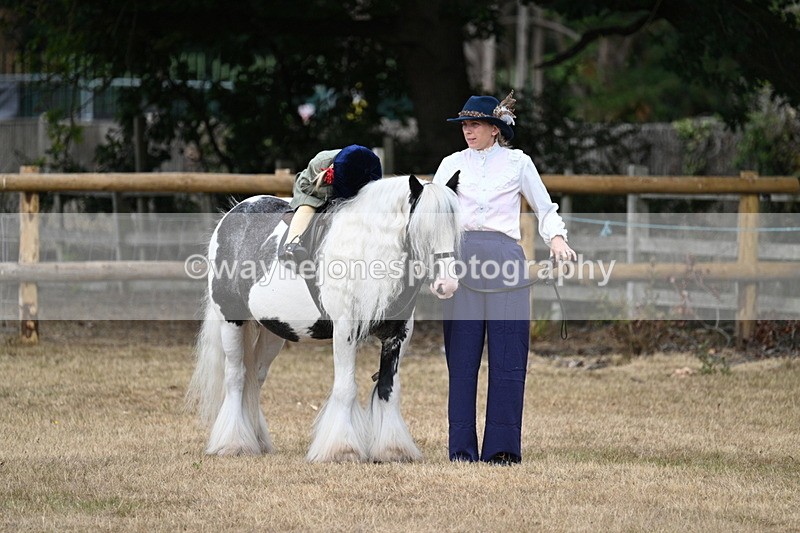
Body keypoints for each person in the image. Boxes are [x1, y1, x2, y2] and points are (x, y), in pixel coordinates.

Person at [431, 91, 576, 465]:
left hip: (506, 259)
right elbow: (434, 216)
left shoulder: (518, 163)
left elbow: (544, 207)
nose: (468, 130)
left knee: (509, 357)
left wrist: (557, 240)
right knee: (461, 360)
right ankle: (461, 450)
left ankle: (502, 450)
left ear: (495, 129)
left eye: (475, 124)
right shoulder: (449, 165)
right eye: (464, 125)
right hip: (461, 259)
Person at [281, 144, 382, 263]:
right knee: (308, 205)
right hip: (313, 186)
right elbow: (309, 188)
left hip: (352, 185)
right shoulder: (319, 162)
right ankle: (292, 244)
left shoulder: (368, 170)